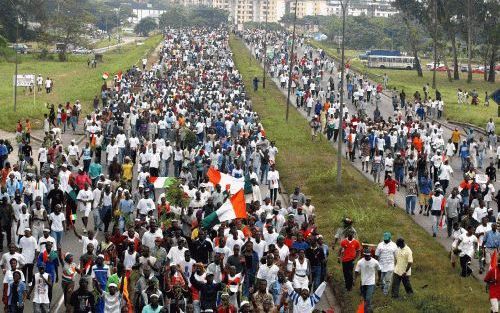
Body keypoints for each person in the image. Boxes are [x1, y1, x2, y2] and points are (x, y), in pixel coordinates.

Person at [354, 248, 380, 313]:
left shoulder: (375, 262)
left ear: (370, 255)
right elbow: (356, 271)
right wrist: (354, 279)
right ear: (363, 255)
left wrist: (379, 279)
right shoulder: (360, 262)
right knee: (365, 298)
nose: (367, 257)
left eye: (368, 255)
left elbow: (379, 270)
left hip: (371, 283)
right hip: (363, 282)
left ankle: (366, 311)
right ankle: (368, 310)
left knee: (368, 298)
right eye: (365, 255)